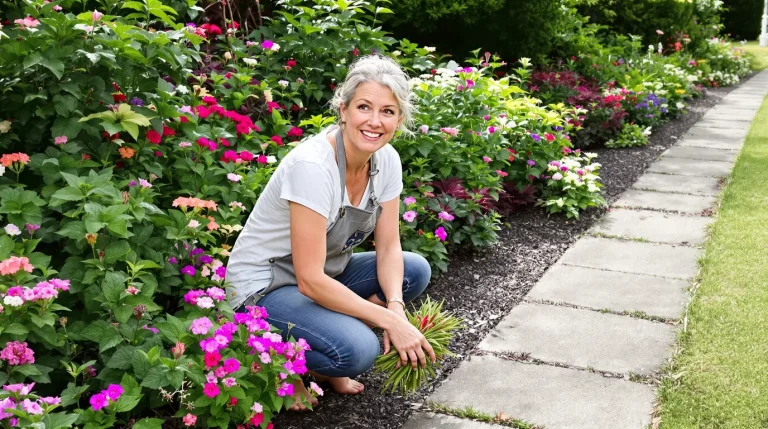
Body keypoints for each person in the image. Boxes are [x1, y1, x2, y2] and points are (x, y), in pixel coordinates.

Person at [226, 55, 436, 410]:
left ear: (399, 120)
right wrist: (386, 321)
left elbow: (388, 247)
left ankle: (322, 330)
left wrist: (396, 310)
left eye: (387, 111)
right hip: (266, 287)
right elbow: (308, 280)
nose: (374, 121)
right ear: (343, 109)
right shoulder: (313, 167)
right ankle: (277, 366)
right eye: (364, 107)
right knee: (357, 351)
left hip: (323, 275)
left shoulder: (387, 162)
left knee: (413, 271)